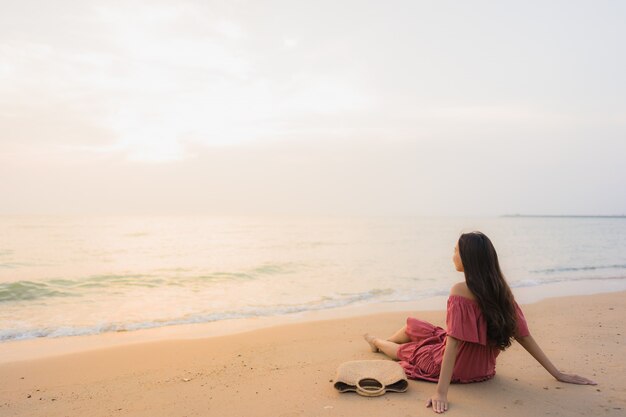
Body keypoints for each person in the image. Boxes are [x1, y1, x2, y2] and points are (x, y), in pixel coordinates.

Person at [363, 231, 596, 414]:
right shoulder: (502, 292)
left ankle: (377, 342)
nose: (452, 255)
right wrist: (557, 373)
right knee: (416, 327)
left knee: (410, 351)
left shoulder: (459, 291)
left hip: (454, 367)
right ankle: (385, 340)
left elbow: (452, 345)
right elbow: (524, 336)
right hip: (484, 370)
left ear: (467, 258)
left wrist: (441, 393)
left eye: (455, 251)